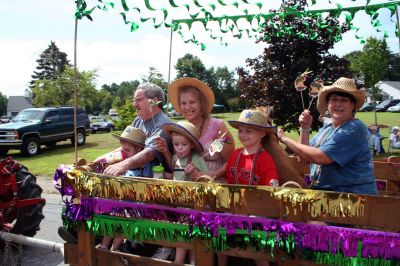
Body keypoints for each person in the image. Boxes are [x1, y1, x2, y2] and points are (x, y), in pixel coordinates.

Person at [277, 77, 378, 195]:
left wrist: (284, 138)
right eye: (334, 99)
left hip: (352, 198)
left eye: (344, 100)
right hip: (327, 195)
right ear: (328, 104)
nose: (338, 104)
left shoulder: (354, 129)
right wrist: (305, 128)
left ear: (353, 105)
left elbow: (320, 157)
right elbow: (304, 157)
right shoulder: (328, 127)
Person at [156, 121, 207, 264]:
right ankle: (190, 260)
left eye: (184, 145)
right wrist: (163, 176)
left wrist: (195, 172)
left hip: (192, 204)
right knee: (185, 231)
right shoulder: (175, 158)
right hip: (178, 203)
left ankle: (182, 261)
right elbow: (174, 176)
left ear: (191, 145)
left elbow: (207, 180)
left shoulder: (196, 159)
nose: (179, 148)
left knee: (185, 231)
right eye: (176, 144)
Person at [168, 77, 235, 178]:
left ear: (201, 103)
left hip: (214, 185)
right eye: (183, 103)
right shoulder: (180, 129)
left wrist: (213, 175)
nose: (187, 107)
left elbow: (231, 161)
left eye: (192, 102)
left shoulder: (218, 126)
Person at [102, 82, 172, 177]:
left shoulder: (163, 123)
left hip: (155, 184)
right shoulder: (138, 120)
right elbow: (127, 146)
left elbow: (149, 153)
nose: (134, 104)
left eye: (138, 100)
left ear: (154, 101)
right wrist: (103, 158)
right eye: (134, 100)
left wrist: (123, 165)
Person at [98, 126, 145, 251]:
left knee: (123, 217)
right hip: (124, 204)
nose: (124, 153)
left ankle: (114, 249)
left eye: (127, 150)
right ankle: (104, 245)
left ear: (139, 149)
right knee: (114, 213)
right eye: (123, 149)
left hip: (137, 208)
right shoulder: (125, 164)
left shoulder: (143, 166)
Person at [225, 109, 279, 186]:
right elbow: (228, 181)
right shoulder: (235, 155)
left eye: (249, 131)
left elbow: (272, 189)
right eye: (240, 131)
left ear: (262, 134)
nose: (243, 135)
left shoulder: (265, 160)